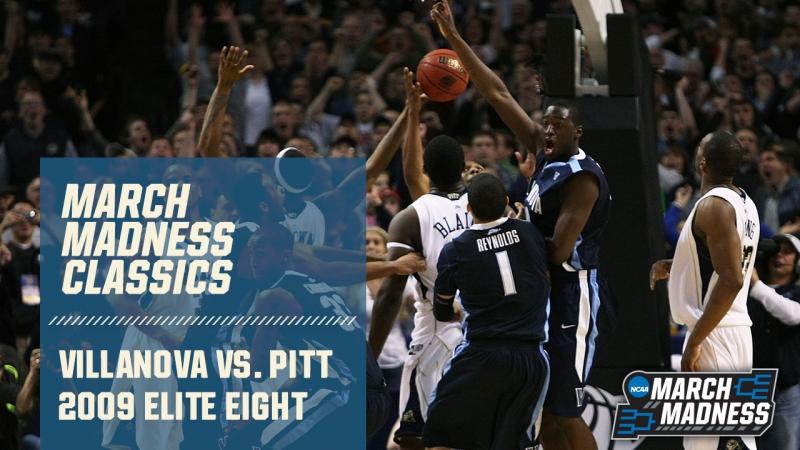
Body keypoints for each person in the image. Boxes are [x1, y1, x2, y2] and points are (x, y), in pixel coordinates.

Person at [431, 3, 611, 449]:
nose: (548, 132)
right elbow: (497, 93)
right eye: (545, 124)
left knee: (565, 409)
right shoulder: (543, 152)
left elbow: (556, 251)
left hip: (571, 295)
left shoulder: (582, 179)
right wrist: (454, 38)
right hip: (540, 293)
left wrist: (508, 229)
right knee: (542, 404)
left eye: (558, 127)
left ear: (577, 133)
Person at [650, 131, 760, 450]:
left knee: (725, 441)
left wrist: (695, 341)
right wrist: (680, 264)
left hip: (713, 330)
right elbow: (728, 261)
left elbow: (732, 278)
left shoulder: (714, 206)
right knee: (709, 442)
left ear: (702, 162)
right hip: (730, 326)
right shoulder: (744, 202)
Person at [424, 173, 550, 450]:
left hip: (481, 354)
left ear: (469, 208)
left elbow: (441, 312)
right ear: (506, 201)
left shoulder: (456, 249)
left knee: (441, 437)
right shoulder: (530, 232)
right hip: (530, 356)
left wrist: (456, 310)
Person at [368, 129, 469, 447]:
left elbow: (389, 297)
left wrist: (370, 358)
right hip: (488, 329)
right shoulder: (486, 206)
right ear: (463, 168)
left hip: (438, 331)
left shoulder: (410, 218)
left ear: (426, 169)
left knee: (411, 438)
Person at [747, 234, 800, 450]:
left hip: (785, 390)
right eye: (775, 251)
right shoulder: (746, 293)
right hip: (750, 388)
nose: (779, 256)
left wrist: (756, 284)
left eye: (787, 252)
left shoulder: (795, 292)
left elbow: (793, 315)